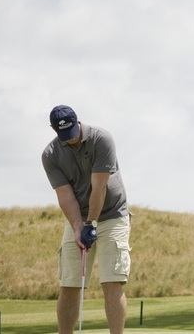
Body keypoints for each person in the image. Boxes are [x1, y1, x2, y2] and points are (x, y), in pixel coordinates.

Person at [41, 105, 131, 334]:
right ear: (53, 129)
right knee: (69, 284)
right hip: (78, 216)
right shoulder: (50, 155)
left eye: (71, 132)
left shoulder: (102, 139)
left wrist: (90, 224)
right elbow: (65, 195)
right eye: (63, 134)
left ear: (77, 122)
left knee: (112, 281)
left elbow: (98, 187)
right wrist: (77, 227)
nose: (70, 139)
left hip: (112, 214)